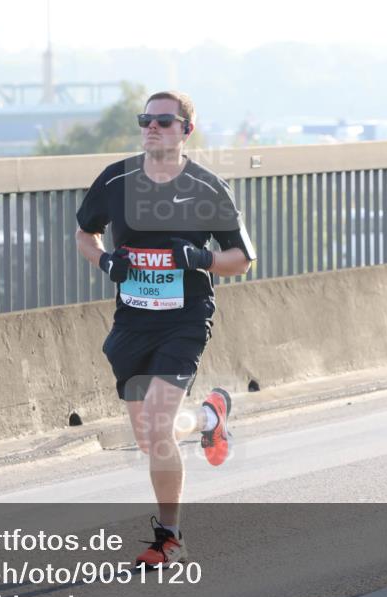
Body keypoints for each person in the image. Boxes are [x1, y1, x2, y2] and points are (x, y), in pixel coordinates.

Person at [75, 91, 257, 567]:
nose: (152, 127)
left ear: (185, 131)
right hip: (132, 322)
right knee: (152, 437)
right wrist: (105, 261)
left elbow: (242, 257)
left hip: (185, 319)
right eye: (146, 120)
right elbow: (84, 232)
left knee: (156, 427)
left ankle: (169, 539)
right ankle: (209, 419)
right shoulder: (116, 179)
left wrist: (202, 259)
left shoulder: (206, 186)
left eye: (164, 121)